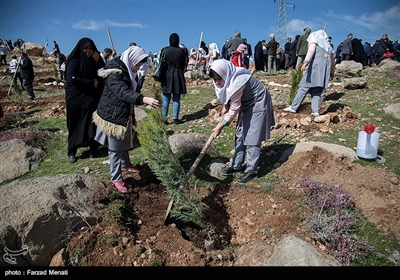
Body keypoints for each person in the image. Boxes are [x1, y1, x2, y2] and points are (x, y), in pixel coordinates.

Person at [93, 46, 160, 193]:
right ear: (132, 60)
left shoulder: (127, 70)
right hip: (112, 115)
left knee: (126, 138)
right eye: (137, 65)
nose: (138, 68)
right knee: (115, 148)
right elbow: (123, 93)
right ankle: (116, 178)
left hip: (123, 112)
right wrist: (143, 99)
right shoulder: (114, 73)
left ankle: (126, 164)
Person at [209, 59, 275, 184]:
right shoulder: (225, 79)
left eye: (219, 79)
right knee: (240, 134)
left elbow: (234, 107)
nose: (217, 82)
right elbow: (227, 96)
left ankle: (251, 170)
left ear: (226, 75)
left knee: (252, 136)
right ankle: (236, 165)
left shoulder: (237, 81)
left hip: (258, 101)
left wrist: (220, 126)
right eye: (215, 79)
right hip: (245, 103)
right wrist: (225, 105)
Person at [65, 37, 105, 163]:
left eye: (90, 48)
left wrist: (99, 61)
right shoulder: (74, 61)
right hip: (76, 99)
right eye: (86, 48)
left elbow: (103, 73)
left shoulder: (93, 62)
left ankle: (94, 149)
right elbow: (71, 78)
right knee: (75, 125)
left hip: (91, 99)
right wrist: (90, 82)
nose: (88, 51)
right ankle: (72, 151)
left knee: (93, 124)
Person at [284, 30, 335, 117]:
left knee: (304, 86)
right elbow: (333, 61)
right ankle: (315, 111)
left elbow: (311, 50)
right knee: (317, 90)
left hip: (315, 66)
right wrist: (331, 73)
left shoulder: (315, 38)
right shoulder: (328, 46)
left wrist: (306, 62)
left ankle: (293, 107)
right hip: (324, 70)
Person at [158, 33, 187, 124]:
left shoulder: (164, 50)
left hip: (167, 74)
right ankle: (175, 118)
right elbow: (184, 64)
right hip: (178, 74)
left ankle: (164, 118)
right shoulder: (182, 51)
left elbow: (161, 63)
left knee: (165, 98)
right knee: (176, 98)